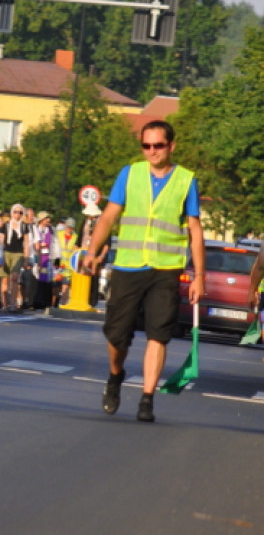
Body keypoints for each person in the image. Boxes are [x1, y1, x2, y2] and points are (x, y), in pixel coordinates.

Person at [83, 119, 205, 424]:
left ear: (171, 146)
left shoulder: (186, 180)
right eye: (146, 145)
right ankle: (115, 376)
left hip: (165, 269)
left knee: (158, 334)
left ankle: (147, 398)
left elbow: (194, 228)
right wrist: (92, 250)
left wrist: (199, 276)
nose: (152, 151)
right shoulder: (130, 173)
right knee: (116, 335)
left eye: (158, 145)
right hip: (128, 265)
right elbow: (110, 214)